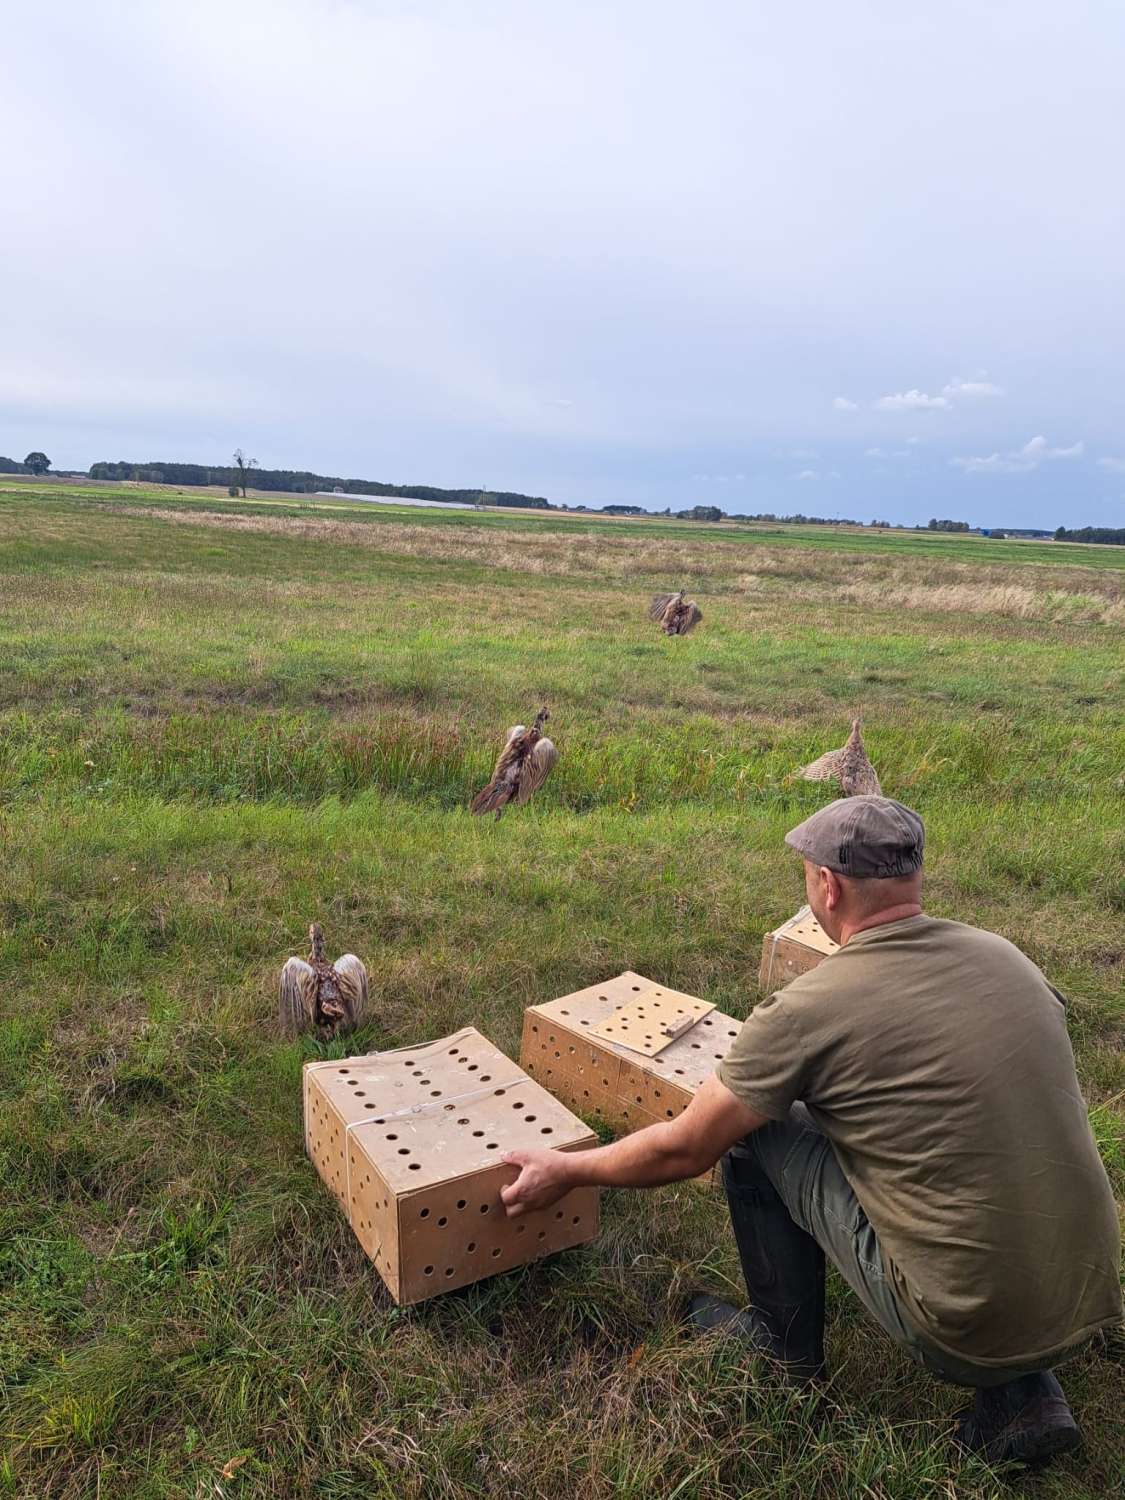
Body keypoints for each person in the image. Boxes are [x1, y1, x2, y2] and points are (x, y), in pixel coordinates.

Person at [500, 796, 1122, 1466]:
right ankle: (1026, 1391)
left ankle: (781, 1360)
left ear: (825, 886)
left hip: (961, 1328)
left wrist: (565, 1170)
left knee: (756, 1128)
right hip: (1089, 1292)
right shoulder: (1007, 960)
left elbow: (685, 1148)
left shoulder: (806, 1011)